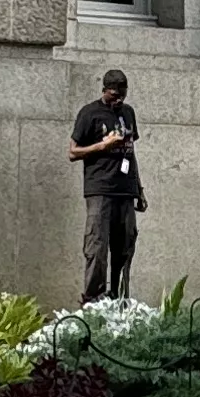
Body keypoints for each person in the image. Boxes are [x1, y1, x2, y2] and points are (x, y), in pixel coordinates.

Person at [70, 66, 143, 303]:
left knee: (124, 246)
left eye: (122, 95)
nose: (118, 99)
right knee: (97, 246)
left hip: (126, 190)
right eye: (114, 95)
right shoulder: (89, 113)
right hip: (100, 189)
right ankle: (93, 299)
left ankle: (120, 298)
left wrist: (139, 189)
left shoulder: (128, 113)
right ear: (104, 90)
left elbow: (131, 153)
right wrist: (103, 146)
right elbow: (73, 152)